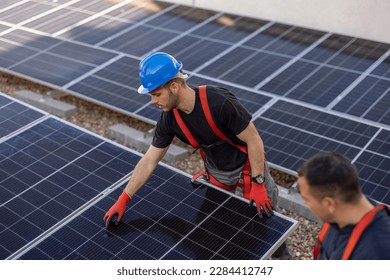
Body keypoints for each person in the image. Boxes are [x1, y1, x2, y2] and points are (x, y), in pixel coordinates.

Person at [104, 52, 290, 259]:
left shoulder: (218, 102)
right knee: (215, 228)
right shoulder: (169, 119)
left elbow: (254, 140)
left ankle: (283, 260)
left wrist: (258, 182)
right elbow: (149, 161)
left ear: (174, 86)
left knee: (266, 227)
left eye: (156, 94)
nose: (153, 101)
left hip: (250, 169)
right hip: (217, 173)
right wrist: (124, 198)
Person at [298, 151, 390, 260]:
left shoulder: (379, 253)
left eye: (306, 199)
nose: (305, 204)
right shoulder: (338, 218)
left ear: (329, 203)